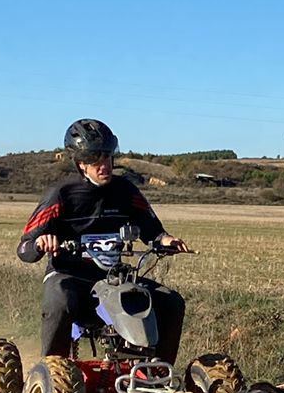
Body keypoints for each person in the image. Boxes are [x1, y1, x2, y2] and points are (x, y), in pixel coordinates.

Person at [17, 118, 191, 362]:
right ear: (80, 164)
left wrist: (165, 240)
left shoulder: (126, 191)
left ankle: (158, 372)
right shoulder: (61, 194)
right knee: (60, 302)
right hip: (69, 276)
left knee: (171, 302)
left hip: (113, 278)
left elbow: (152, 230)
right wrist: (39, 243)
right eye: (94, 160)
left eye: (107, 157)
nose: (104, 165)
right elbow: (24, 247)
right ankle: (52, 373)